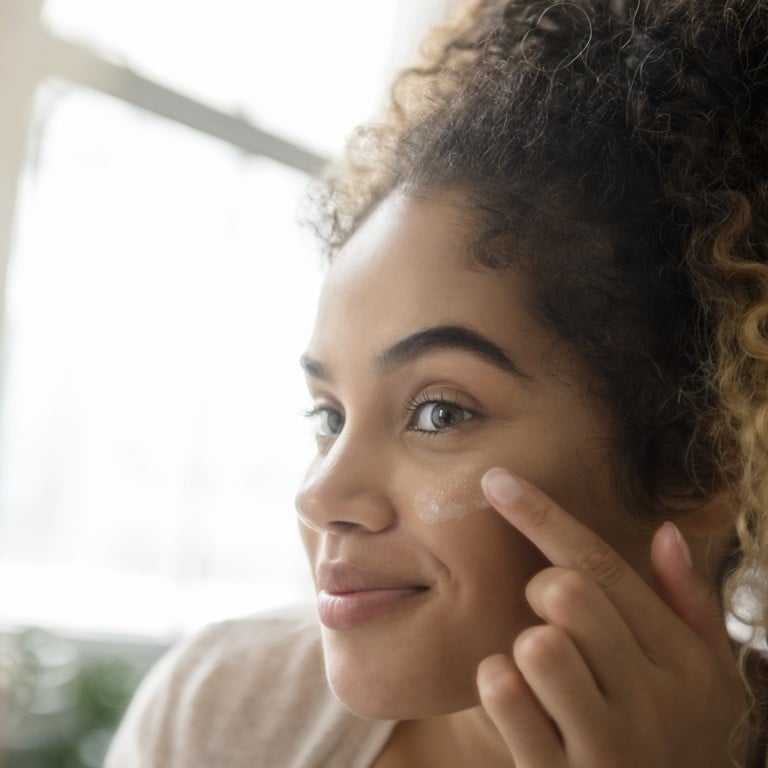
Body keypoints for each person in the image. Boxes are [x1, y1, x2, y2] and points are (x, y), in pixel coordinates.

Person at [105, 0, 768, 765]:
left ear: (706, 455)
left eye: (440, 412)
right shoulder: (219, 713)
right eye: (327, 416)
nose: (319, 499)